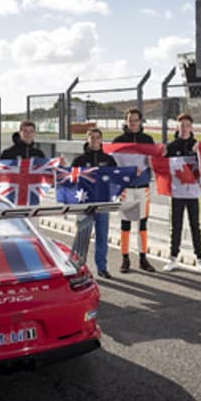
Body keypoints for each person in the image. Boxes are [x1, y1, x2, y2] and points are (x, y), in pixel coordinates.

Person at [111, 108, 157, 273]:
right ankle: (125, 259)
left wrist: (154, 163)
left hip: (143, 187)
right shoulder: (118, 141)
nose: (133, 123)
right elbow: (113, 165)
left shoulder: (148, 140)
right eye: (130, 120)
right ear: (126, 121)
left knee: (142, 224)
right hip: (126, 189)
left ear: (140, 121)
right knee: (126, 224)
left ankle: (143, 259)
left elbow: (155, 160)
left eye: (136, 120)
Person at [162, 113, 201, 272]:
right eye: (181, 125)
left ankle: (200, 259)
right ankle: (173, 258)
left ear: (191, 127)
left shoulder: (198, 145)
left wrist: (199, 153)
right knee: (176, 226)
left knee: (195, 226)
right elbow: (161, 166)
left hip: (193, 193)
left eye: (187, 125)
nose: (184, 128)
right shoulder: (171, 147)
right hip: (177, 193)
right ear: (177, 127)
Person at [71, 127, 119, 279]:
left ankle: (102, 267)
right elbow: (71, 180)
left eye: (97, 137)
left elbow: (117, 178)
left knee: (102, 236)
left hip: (102, 203)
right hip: (85, 204)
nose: (95, 140)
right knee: (82, 237)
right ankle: (78, 267)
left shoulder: (109, 160)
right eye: (92, 137)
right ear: (87, 139)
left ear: (101, 140)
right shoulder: (79, 160)